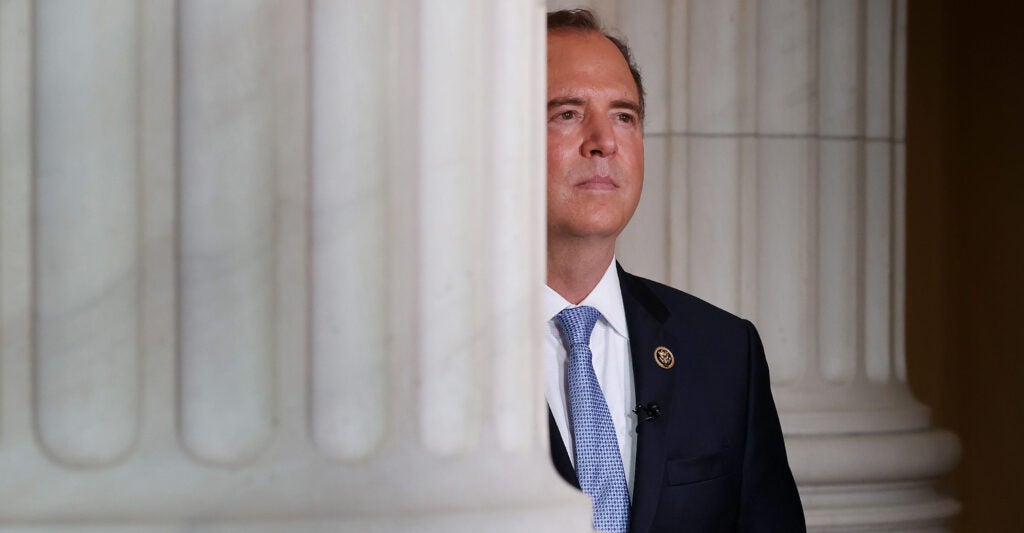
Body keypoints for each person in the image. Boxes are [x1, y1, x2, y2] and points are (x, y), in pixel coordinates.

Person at [543, 9, 805, 532]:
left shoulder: (725, 353)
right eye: (567, 113)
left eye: (624, 115)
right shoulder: (435, 354)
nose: (604, 141)